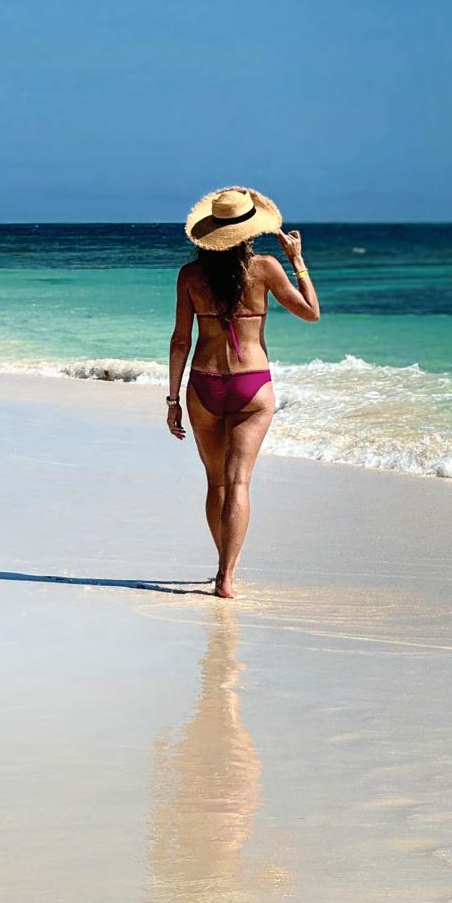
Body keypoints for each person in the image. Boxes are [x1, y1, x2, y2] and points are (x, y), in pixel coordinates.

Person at [166, 186, 319, 599]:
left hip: (203, 383)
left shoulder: (190, 275)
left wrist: (173, 399)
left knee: (216, 483)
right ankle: (226, 576)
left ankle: (222, 565)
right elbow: (311, 313)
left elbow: (180, 340)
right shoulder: (265, 268)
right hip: (252, 385)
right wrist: (297, 261)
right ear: (250, 231)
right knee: (238, 484)